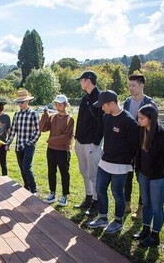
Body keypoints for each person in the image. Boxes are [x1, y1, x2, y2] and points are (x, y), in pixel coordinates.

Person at [87, 90, 139, 234]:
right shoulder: (106, 117)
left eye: (103, 105)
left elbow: (135, 147)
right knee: (100, 189)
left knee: (117, 193)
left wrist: (132, 165)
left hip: (121, 166)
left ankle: (118, 221)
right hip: (105, 162)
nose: (101, 108)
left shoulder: (129, 122)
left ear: (112, 103)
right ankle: (102, 218)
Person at [133, 105, 164, 247]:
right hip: (144, 174)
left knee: (157, 207)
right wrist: (138, 170)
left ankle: (155, 235)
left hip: (159, 177)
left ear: (150, 119)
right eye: (138, 117)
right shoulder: (141, 130)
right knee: (146, 204)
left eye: (141, 118)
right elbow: (139, 152)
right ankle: (145, 229)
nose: (138, 120)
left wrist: (157, 169)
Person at [123, 73, 157, 219]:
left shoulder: (149, 103)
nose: (130, 88)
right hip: (128, 145)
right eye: (129, 85)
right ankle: (126, 204)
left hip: (143, 146)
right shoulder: (126, 103)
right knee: (127, 175)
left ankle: (141, 208)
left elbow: (153, 126)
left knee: (142, 177)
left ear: (141, 85)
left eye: (133, 85)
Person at [74, 70, 104, 216]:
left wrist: (96, 142)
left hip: (92, 143)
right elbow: (80, 119)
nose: (80, 82)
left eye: (81, 80)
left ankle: (96, 203)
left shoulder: (100, 97)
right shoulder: (84, 98)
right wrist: (76, 138)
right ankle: (88, 197)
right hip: (80, 141)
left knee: (94, 174)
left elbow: (102, 123)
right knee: (84, 172)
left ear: (88, 80)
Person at [40, 95, 74, 206]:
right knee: (51, 171)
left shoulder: (70, 119)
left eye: (60, 104)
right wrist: (45, 115)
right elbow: (42, 128)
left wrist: (51, 140)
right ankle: (52, 193)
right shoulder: (53, 117)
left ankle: (64, 195)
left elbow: (67, 137)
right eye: (56, 104)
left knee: (64, 173)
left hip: (63, 151)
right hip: (51, 150)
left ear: (65, 105)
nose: (58, 106)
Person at [5, 89, 41, 195]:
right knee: (22, 168)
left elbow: (38, 131)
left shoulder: (34, 114)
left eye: (22, 102)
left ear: (27, 101)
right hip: (18, 146)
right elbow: (13, 131)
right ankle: (26, 186)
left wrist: (29, 143)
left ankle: (34, 189)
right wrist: (8, 143)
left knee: (26, 168)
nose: (20, 104)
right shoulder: (16, 115)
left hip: (29, 146)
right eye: (18, 102)